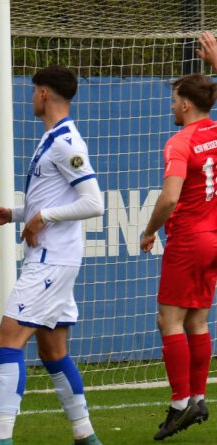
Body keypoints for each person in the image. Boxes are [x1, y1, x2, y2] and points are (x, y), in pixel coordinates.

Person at [0, 65, 104, 445]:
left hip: (52, 259)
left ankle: (1, 439)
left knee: (6, 341)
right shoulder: (52, 138)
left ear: (45, 94)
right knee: (53, 350)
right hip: (55, 258)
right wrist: (15, 215)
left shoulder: (67, 142)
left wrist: (41, 217)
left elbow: (93, 203)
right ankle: (85, 435)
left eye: (34, 89)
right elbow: (53, 198)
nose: (31, 96)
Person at [139, 33, 217, 440]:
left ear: (186, 104)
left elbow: (170, 197)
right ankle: (199, 397)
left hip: (188, 238)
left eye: (173, 100)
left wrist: (150, 230)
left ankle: (180, 403)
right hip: (215, 237)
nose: (171, 106)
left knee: (168, 320)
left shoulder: (181, 141)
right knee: (198, 319)